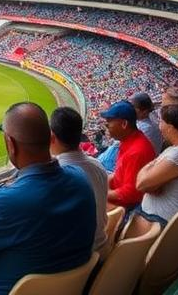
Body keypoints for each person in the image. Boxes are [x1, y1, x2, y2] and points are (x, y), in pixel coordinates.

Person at [0, 102, 95, 295]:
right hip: (72, 287)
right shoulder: (81, 179)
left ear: (10, 144)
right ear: (50, 138)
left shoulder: (7, 202)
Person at [50, 107, 109, 256]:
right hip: (101, 249)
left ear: (52, 137)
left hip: (77, 259)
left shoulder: (53, 175)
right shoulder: (98, 166)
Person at [102, 100, 155, 209]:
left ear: (124, 124)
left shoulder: (136, 151)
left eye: (109, 122)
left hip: (128, 207)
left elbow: (131, 193)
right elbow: (119, 174)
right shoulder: (129, 140)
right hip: (121, 198)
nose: (106, 125)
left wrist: (103, 194)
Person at [136, 103, 178, 226]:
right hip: (154, 217)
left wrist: (152, 166)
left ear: (171, 127)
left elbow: (141, 184)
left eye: (161, 122)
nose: (159, 125)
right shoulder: (173, 149)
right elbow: (149, 185)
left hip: (157, 221)